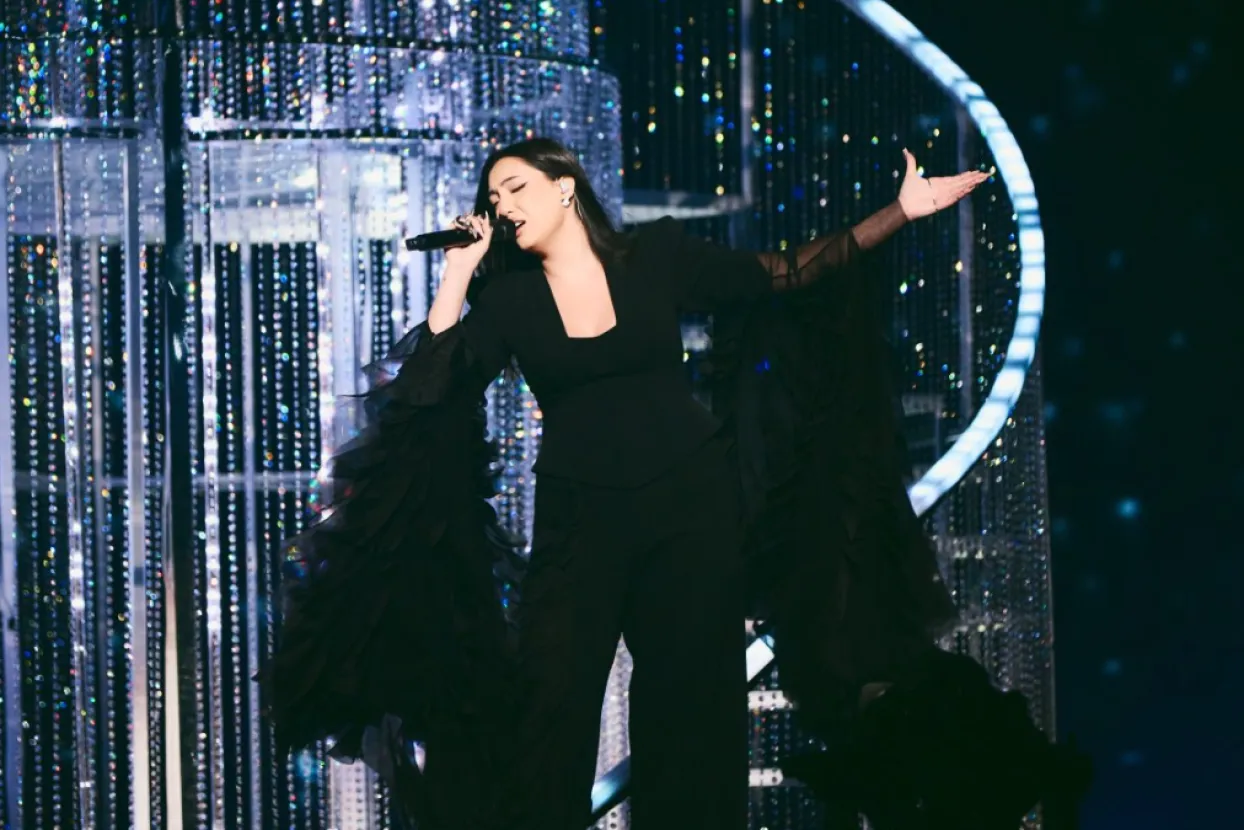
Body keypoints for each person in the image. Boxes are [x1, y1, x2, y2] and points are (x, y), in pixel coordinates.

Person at [260, 138, 1084, 830]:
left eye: (515, 186)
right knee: (548, 707)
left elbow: (785, 273)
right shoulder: (509, 301)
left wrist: (899, 212)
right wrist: (460, 271)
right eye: (493, 196)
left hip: (690, 508)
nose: (502, 204)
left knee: (690, 713)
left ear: (565, 186)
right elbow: (431, 383)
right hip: (579, 519)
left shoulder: (654, 257)